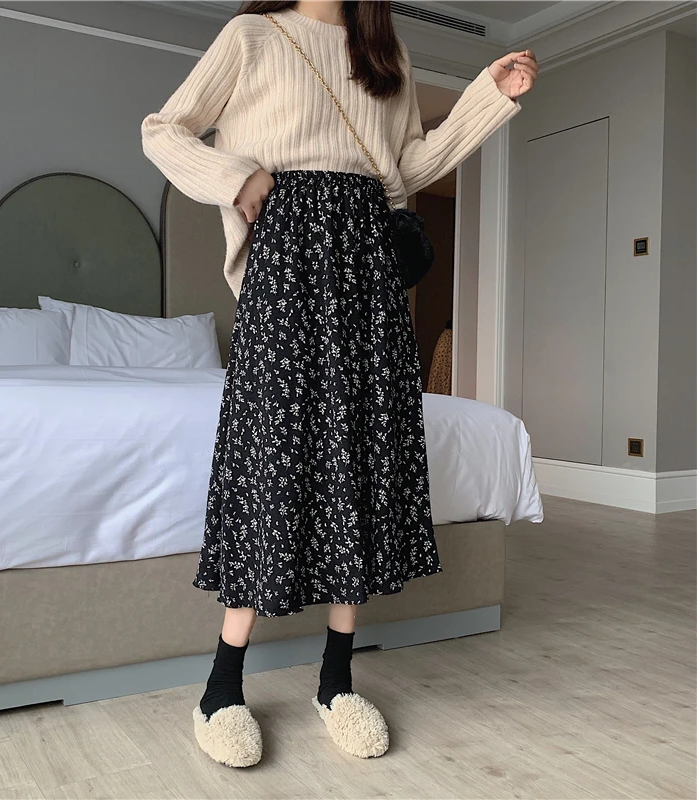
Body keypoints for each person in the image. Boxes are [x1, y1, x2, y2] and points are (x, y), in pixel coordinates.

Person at [141, 0, 537, 768]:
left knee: (357, 458)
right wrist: (236, 175)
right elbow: (164, 129)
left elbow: (406, 167)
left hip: (369, 269)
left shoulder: (385, 52)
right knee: (274, 460)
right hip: (288, 258)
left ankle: (336, 680)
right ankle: (221, 687)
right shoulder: (252, 37)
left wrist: (486, 98)